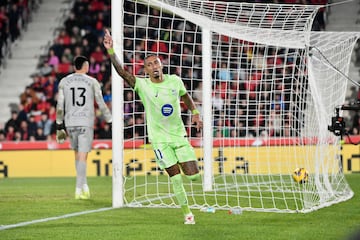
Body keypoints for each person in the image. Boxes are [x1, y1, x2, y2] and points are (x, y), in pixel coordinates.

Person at [103, 29, 202, 224]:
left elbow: (185, 96)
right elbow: (122, 72)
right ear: (146, 70)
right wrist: (111, 51)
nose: (154, 66)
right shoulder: (142, 85)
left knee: (193, 177)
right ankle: (187, 213)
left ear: (161, 64)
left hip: (179, 136)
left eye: (156, 62)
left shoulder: (175, 80)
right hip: (159, 141)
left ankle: (184, 168)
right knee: (175, 178)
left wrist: (196, 113)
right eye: (149, 64)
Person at [56, 55, 112, 200]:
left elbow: (60, 106)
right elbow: (100, 102)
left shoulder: (64, 82)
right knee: (83, 155)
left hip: (70, 122)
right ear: (86, 66)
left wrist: (58, 124)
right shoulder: (92, 81)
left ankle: (84, 185)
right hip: (85, 121)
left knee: (77, 154)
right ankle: (78, 188)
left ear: (75, 66)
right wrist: (109, 119)